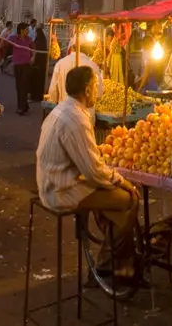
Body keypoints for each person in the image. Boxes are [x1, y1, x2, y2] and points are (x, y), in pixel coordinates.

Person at [36, 66, 139, 276]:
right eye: (95, 86)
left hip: (52, 182)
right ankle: (109, 262)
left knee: (111, 200)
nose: (97, 91)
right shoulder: (76, 120)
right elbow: (94, 171)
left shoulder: (61, 110)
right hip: (60, 190)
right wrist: (123, 182)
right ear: (87, 90)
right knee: (130, 199)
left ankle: (120, 259)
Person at [48, 44, 103, 121]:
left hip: (64, 114)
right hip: (87, 117)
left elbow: (53, 92)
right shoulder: (93, 65)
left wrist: (54, 102)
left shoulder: (60, 63)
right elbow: (99, 94)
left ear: (72, 47)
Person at [13, 22, 34, 115]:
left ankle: (21, 108)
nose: (28, 31)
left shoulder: (28, 39)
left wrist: (33, 57)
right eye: (27, 30)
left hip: (26, 65)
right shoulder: (14, 39)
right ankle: (23, 105)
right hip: (17, 65)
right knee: (19, 86)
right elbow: (2, 45)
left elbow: (34, 49)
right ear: (21, 30)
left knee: (24, 86)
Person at [29, 25, 49, 103]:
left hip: (37, 65)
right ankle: (39, 95)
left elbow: (36, 52)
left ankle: (35, 96)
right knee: (40, 81)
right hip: (41, 65)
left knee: (35, 81)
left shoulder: (38, 42)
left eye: (36, 32)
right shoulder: (43, 41)